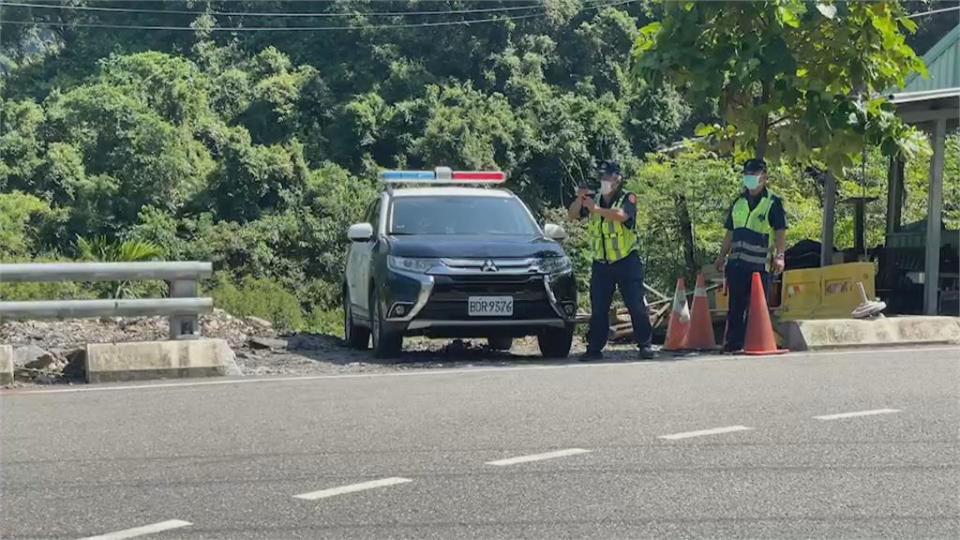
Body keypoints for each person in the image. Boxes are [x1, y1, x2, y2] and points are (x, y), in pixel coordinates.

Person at [568, 160, 655, 361]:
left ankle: (645, 345)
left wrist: (596, 209)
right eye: (602, 176)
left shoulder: (628, 197)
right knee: (598, 308)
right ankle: (594, 349)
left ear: (618, 178)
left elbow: (622, 216)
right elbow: (572, 216)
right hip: (602, 263)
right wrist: (579, 199)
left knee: (636, 305)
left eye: (608, 176)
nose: (604, 180)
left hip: (626, 261)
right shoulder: (593, 199)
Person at [714, 158, 788, 353]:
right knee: (735, 306)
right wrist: (722, 256)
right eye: (747, 175)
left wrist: (780, 256)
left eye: (754, 175)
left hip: (759, 267)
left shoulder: (772, 202)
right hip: (736, 264)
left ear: (764, 177)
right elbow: (730, 231)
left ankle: (754, 342)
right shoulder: (738, 202)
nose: (750, 179)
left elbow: (780, 230)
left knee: (756, 307)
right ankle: (733, 344)